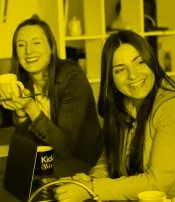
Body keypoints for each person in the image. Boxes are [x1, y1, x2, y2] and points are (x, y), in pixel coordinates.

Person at [54, 30, 175, 201]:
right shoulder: (124, 104)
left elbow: (156, 184)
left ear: (151, 61)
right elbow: (109, 160)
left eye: (139, 62)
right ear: (111, 79)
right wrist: (91, 179)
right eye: (120, 70)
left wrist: (91, 189)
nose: (133, 75)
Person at [0, 16, 103, 166]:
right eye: (21, 45)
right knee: (11, 173)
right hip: (49, 159)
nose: (29, 51)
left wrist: (30, 107)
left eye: (36, 43)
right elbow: (29, 145)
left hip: (81, 159)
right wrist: (21, 113)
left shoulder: (72, 77)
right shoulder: (22, 82)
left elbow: (65, 146)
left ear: (50, 47)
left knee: (28, 178)